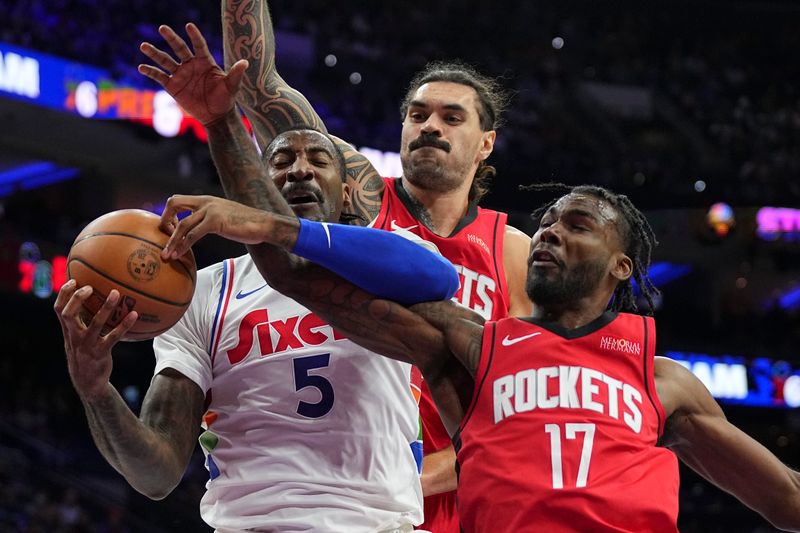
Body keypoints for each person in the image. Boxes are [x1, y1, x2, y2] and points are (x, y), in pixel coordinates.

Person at [160, 182, 800, 532]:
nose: (548, 230)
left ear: (621, 265)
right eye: (546, 221)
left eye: (576, 224)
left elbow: (786, 500)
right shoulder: (474, 344)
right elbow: (301, 280)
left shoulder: (664, 382)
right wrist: (269, 220)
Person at [56, 28, 463, 528]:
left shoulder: (386, 262)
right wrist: (96, 388)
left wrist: (274, 224)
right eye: (281, 161)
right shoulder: (203, 291)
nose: (298, 171)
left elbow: (438, 278)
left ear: (345, 190)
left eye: (318, 160)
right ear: (257, 186)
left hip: (374, 523)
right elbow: (156, 474)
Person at [222, 2, 531, 528]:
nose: (430, 126)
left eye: (452, 118)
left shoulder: (513, 252)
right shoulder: (357, 193)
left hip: (460, 493)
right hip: (347, 488)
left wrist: (423, 474)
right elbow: (256, 88)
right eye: (418, 114)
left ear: (485, 143)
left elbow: (520, 410)